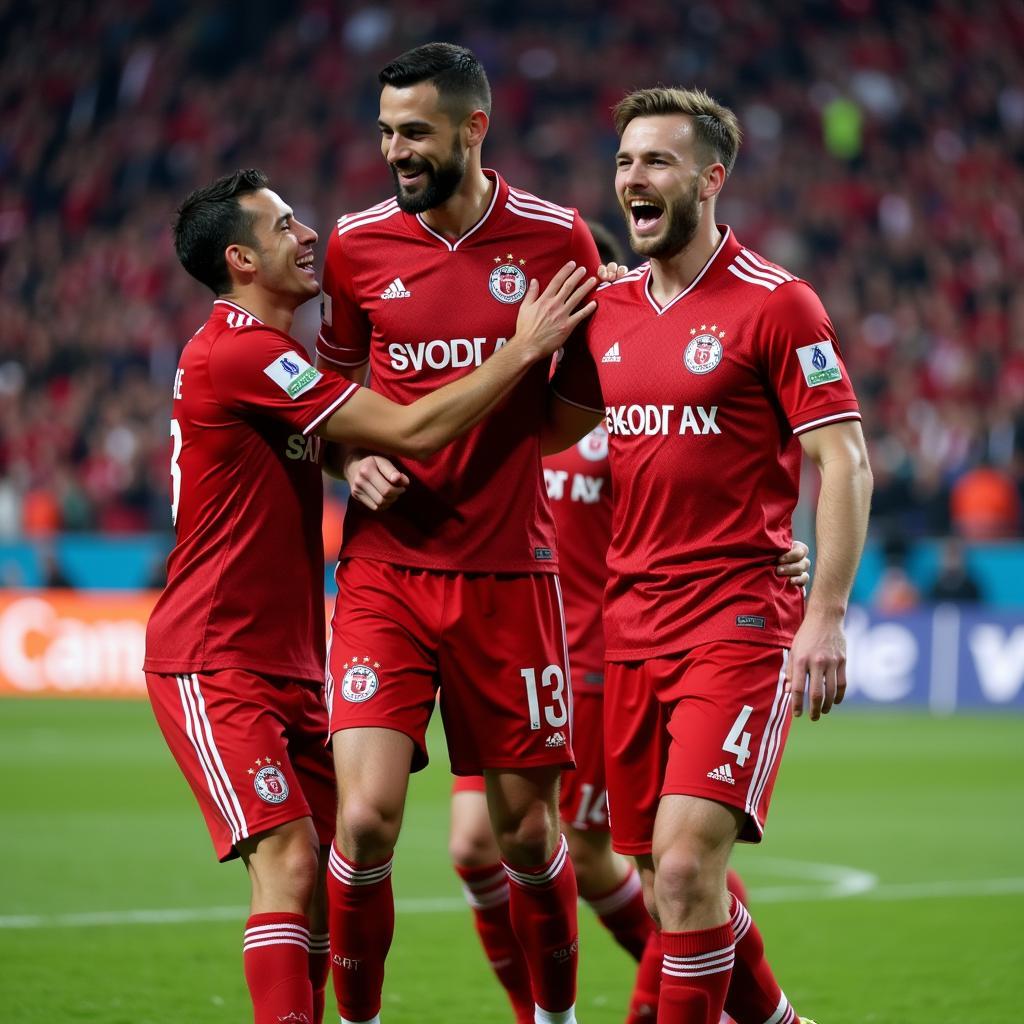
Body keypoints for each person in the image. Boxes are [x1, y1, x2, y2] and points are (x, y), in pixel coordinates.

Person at [143, 167, 596, 1024]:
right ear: (241, 259)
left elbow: (360, 438)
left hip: (289, 658)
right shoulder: (240, 352)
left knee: (317, 870)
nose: (307, 234)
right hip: (213, 656)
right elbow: (412, 425)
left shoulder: (277, 358)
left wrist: (354, 462)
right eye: (283, 228)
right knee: (287, 861)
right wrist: (522, 349)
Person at [546, 88, 873, 1024]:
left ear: (710, 177)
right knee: (665, 879)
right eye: (622, 163)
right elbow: (538, 435)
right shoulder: (605, 308)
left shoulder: (779, 304)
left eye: (655, 161)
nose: (632, 179)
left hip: (736, 621)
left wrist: (827, 616)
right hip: (630, 624)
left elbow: (843, 460)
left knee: (687, 867)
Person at [446, 224, 811, 1024]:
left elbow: (705, 491)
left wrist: (778, 549)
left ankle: (672, 1006)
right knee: (494, 849)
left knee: (668, 860)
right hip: (507, 644)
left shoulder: (624, 394)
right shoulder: (511, 393)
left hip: (608, 657)